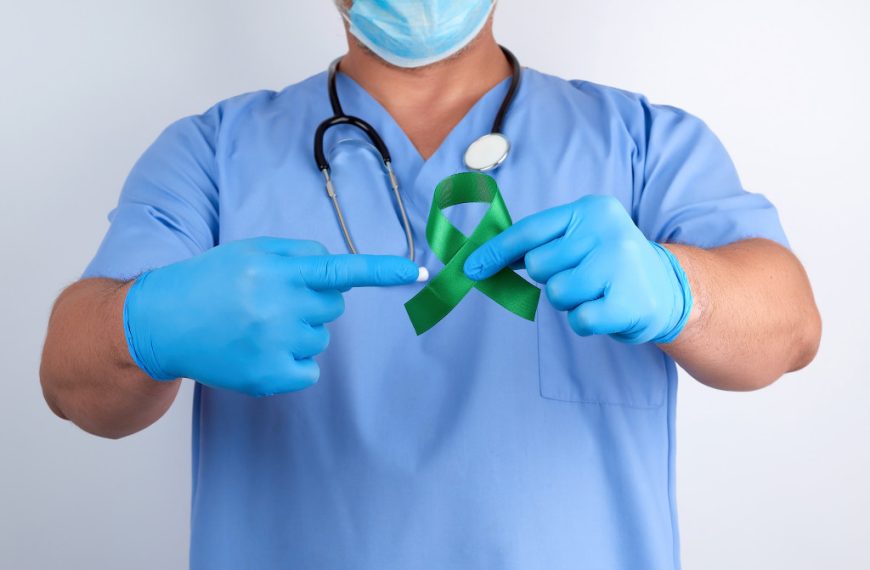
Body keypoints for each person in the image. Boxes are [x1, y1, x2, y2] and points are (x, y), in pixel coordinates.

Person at [40, 1, 821, 568]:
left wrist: (680, 288)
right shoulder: (213, 153)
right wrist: (144, 324)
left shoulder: (643, 142)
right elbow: (73, 384)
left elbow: (787, 330)